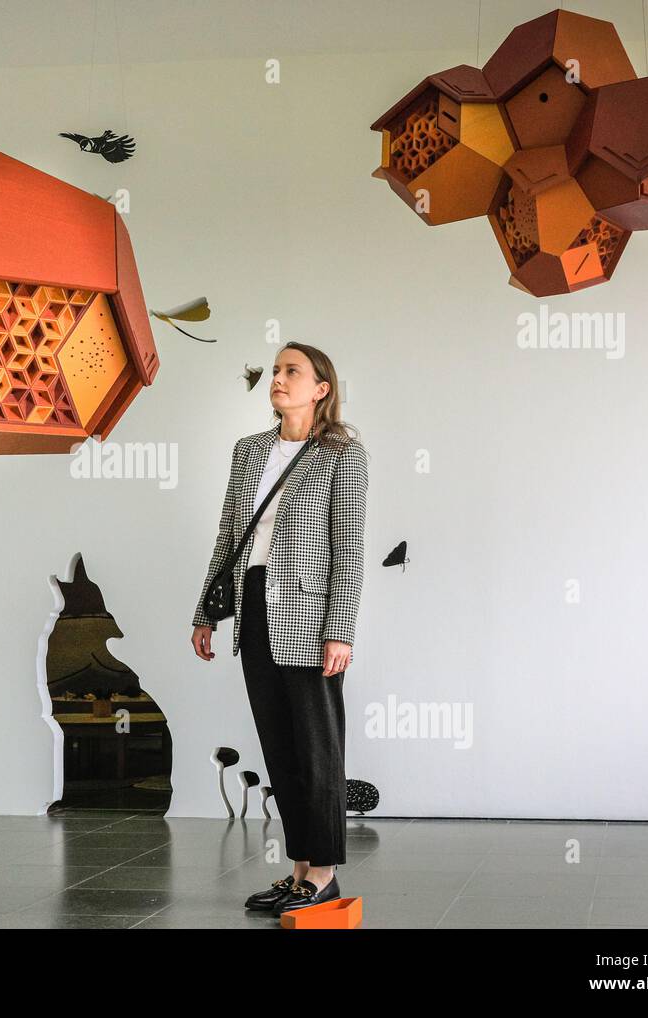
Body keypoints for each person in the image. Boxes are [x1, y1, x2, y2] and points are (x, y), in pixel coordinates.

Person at [191, 341, 369, 916]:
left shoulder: (343, 454)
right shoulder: (249, 452)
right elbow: (227, 536)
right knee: (280, 746)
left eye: (292, 371)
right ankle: (298, 871)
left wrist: (340, 630)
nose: (279, 378)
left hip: (311, 618)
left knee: (317, 748)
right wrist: (204, 612)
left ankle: (323, 873)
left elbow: (349, 549)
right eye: (275, 370)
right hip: (254, 606)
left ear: (321, 388)